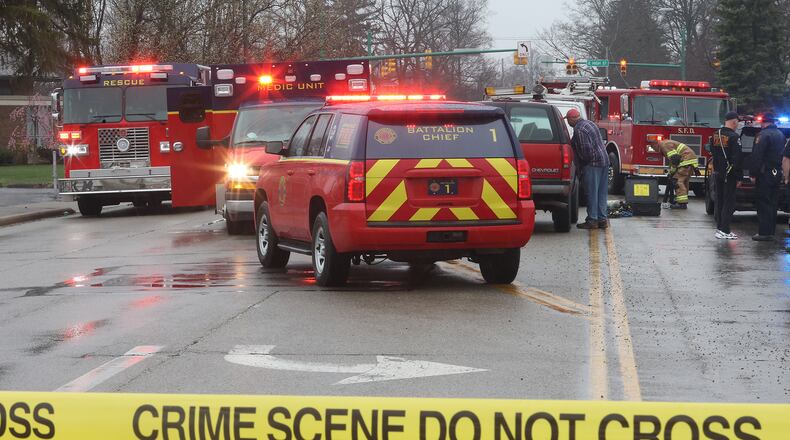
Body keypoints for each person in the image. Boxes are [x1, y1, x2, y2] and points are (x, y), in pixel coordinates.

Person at [565, 108, 610, 229]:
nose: (568, 122)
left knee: (592, 193)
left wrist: (582, 166)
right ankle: (602, 219)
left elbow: (586, 152)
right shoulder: (590, 123)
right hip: (604, 161)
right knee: (601, 192)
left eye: (568, 120)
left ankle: (592, 220)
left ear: (571, 119)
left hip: (593, 164)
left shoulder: (579, 129)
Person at [749, 113, 785, 241]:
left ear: (763, 122)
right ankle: (770, 231)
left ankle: (764, 233)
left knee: (763, 202)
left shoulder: (762, 135)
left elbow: (757, 156)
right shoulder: (780, 135)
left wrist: (753, 173)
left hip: (765, 174)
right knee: (772, 203)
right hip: (777, 172)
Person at [711, 111, 742, 239]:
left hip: (718, 172)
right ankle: (725, 230)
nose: (737, 125)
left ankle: (720, 228)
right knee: (729, 202)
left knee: (720, 201)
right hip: (730, 174)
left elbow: (713, 153)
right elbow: (737, 159)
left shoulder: (715, 135)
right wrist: (739, 177)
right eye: (737, 122)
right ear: (734, 122)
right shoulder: (734, 137)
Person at [652, 139, 699, 209]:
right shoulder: (666, 143)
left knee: (677, 181)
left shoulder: (664, 145)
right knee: (684, 182)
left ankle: (681, 203)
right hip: (689, 160)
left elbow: (675, 159)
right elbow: (673, 159)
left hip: (685, 161)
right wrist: (671, 170)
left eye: (653, 148)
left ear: (656, 144)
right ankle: (681, 200)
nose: (654, 150)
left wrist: (672, 171)